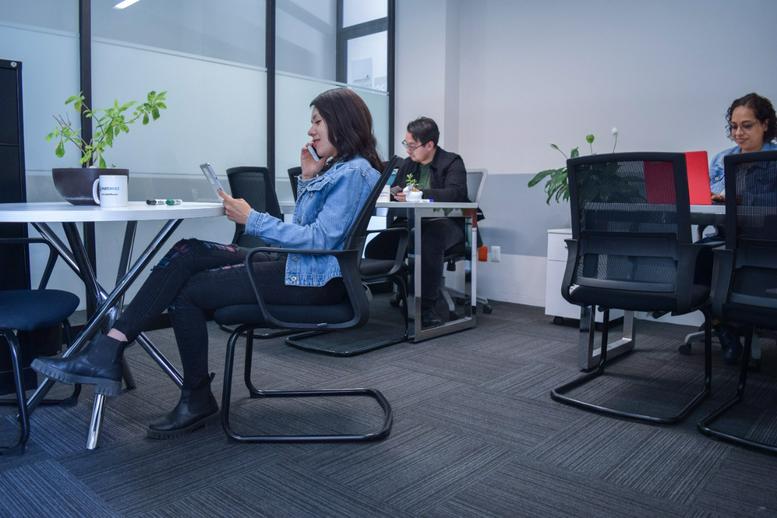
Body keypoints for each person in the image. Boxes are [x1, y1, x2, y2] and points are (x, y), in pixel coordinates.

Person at [32, 87, 382, 438]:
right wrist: (308, 177)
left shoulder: (354, 172)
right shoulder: (342, 169)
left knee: (188, 292)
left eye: (317, 121)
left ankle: (187, 392)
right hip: (300, 269)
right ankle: (111, 347)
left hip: (313, 283)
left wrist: (253, 219)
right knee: (189, 250)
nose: (310, 130)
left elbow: (320, 241)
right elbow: (310, 230)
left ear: (341, 122)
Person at [365, 117, 468, 328]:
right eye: (407, 144)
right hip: (411, 223)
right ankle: (407, 291)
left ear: (429, 145)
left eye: (412, 145)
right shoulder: (408, 164)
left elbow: (456, 193)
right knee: (377, 248)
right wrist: (393, 193)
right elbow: (397, 189)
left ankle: (426, 308)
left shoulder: (452, 162)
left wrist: (420, 194)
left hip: (445, 224)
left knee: (428, 241)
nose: (408, 150)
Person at [708, 92, 777, 364]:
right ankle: (723, 329)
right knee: (696, 264)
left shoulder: (774, 160)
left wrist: (743, 198)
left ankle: (734, 325)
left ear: (765, 125)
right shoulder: (721, 158)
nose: (738, 133)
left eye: (746, 126)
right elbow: (710, 195)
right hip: (726, 237)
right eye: (734, 126)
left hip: (766, 242)